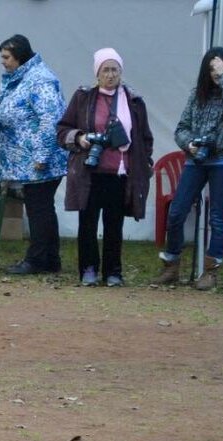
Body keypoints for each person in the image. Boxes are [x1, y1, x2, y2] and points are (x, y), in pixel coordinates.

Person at [57, 47, 153, 287]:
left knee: (114, 224)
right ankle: (88, 269)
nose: (110, 75)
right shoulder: (83, 97)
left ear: (121, 72)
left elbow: (144, 138)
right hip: (89, 171)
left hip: (120, 173)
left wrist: (143, 161)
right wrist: (79, 138)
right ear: (97, 73)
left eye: (115, 70)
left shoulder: (134, 101)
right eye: (106, 70)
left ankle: (113, 271)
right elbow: (62, 129)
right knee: (87, 223)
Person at [154, 48, 223, 290]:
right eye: (212, 69)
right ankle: (172, 265)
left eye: (220, 67)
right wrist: (190, 144)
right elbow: (181, 128)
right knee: (177, 211)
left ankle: (211, 271)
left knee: (218, 216)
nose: (215, 73)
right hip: (196, 159)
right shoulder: (197, 95)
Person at [0, 34, 67, 276]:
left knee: (38, 209)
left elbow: (49, 119)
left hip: (39, 160)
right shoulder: (23, 78)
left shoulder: (40, 80)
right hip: (29, 160)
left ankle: (36, 260)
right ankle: (50, 259)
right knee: (42, 208)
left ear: (20, 56)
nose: (3, 62)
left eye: (6, 57)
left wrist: (42, 156)